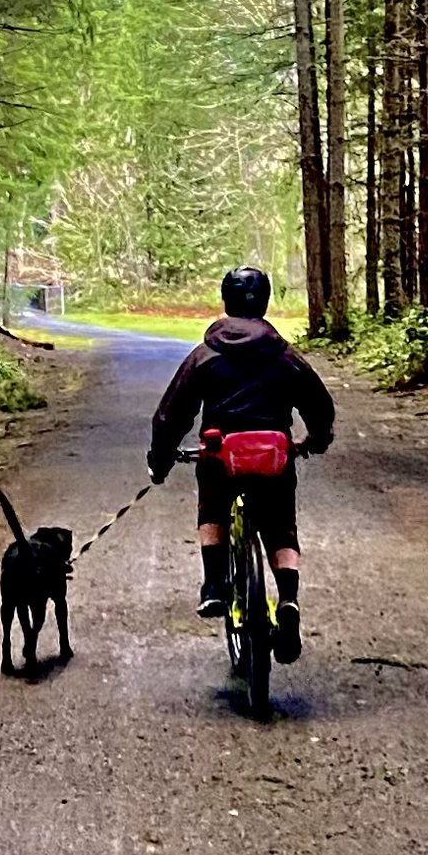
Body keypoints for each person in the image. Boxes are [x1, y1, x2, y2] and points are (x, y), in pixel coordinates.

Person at [147, 267, 335, 663]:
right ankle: (288, 600)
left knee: (212, 510)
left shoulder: (205, 355)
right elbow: (319, 404)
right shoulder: (284, 355)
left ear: (226, 300)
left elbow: (170, 415)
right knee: (281, 529)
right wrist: (316, 440)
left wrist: (160, 461)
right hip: (273, 460)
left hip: (220, 459)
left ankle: (214, 585)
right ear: (265, 301)